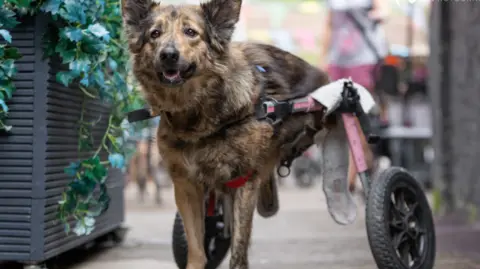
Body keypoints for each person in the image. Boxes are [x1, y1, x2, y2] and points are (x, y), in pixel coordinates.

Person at [319, 0, 390, 192]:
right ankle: (365, 164)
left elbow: (383, 10)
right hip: (339, 60)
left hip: (364, 60)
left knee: (356, 118)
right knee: (342, 118)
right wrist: (324, 58)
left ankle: (353, 175)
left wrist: (377, 15)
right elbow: (329, 24)